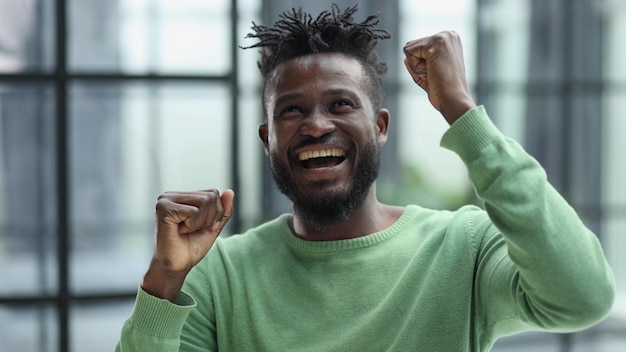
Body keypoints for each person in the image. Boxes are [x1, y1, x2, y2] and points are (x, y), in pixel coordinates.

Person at [116, 4, 615, 351]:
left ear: (380, 129)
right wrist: (164, 281)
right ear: (268, 139)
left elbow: (583, 297)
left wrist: (464, 113)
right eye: (292, 111)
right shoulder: (218, 273)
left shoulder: (462, 247)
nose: (316, 125)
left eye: (340, 104)